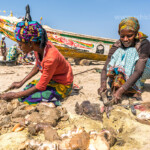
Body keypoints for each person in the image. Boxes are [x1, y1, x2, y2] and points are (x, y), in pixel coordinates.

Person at [0, 21, 73, 106]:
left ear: (31, 43)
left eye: (20, 45)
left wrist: (14, 95)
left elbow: (41, 86)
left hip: (62, 84)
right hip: (51, 80)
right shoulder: (38, 47)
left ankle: (53, 103)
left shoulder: (51, 58)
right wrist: (21, 82)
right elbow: (37, 66)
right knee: (27, 89)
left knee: (28, 100)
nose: (19, 47)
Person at [98, 17, 150, 102]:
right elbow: (106, 67)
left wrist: (121, 91)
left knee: (131, 52)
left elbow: (139, 70)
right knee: (119, 52)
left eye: (129, 36)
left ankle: (136, 88)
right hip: (136, 71)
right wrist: (103, 84)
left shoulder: (144, 43)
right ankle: (124, 84)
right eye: (122, 36)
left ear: (136, 33)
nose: (125, 39)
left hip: (147, 69)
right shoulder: (118, 44)